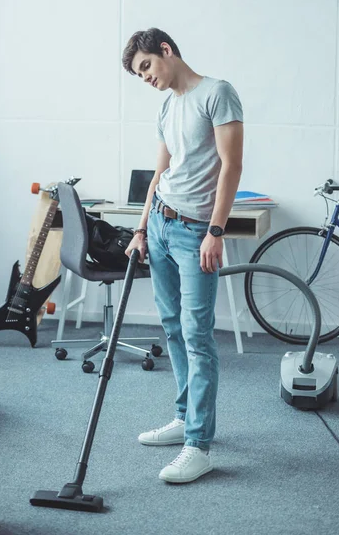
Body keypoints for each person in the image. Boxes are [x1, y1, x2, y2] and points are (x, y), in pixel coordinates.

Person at [122, 28, 243, 483]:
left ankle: (199, 445)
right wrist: (140, 227)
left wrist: (216, 230)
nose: (146, 78)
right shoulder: (168, 105)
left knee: (198, 334)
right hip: (160, 224)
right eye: (139, 74)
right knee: (172, 327)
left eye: (146, 67)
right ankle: (183, 418)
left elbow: (231, 166)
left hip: (196, 232)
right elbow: (160, 172)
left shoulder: (218, 94)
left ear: (166, 51)